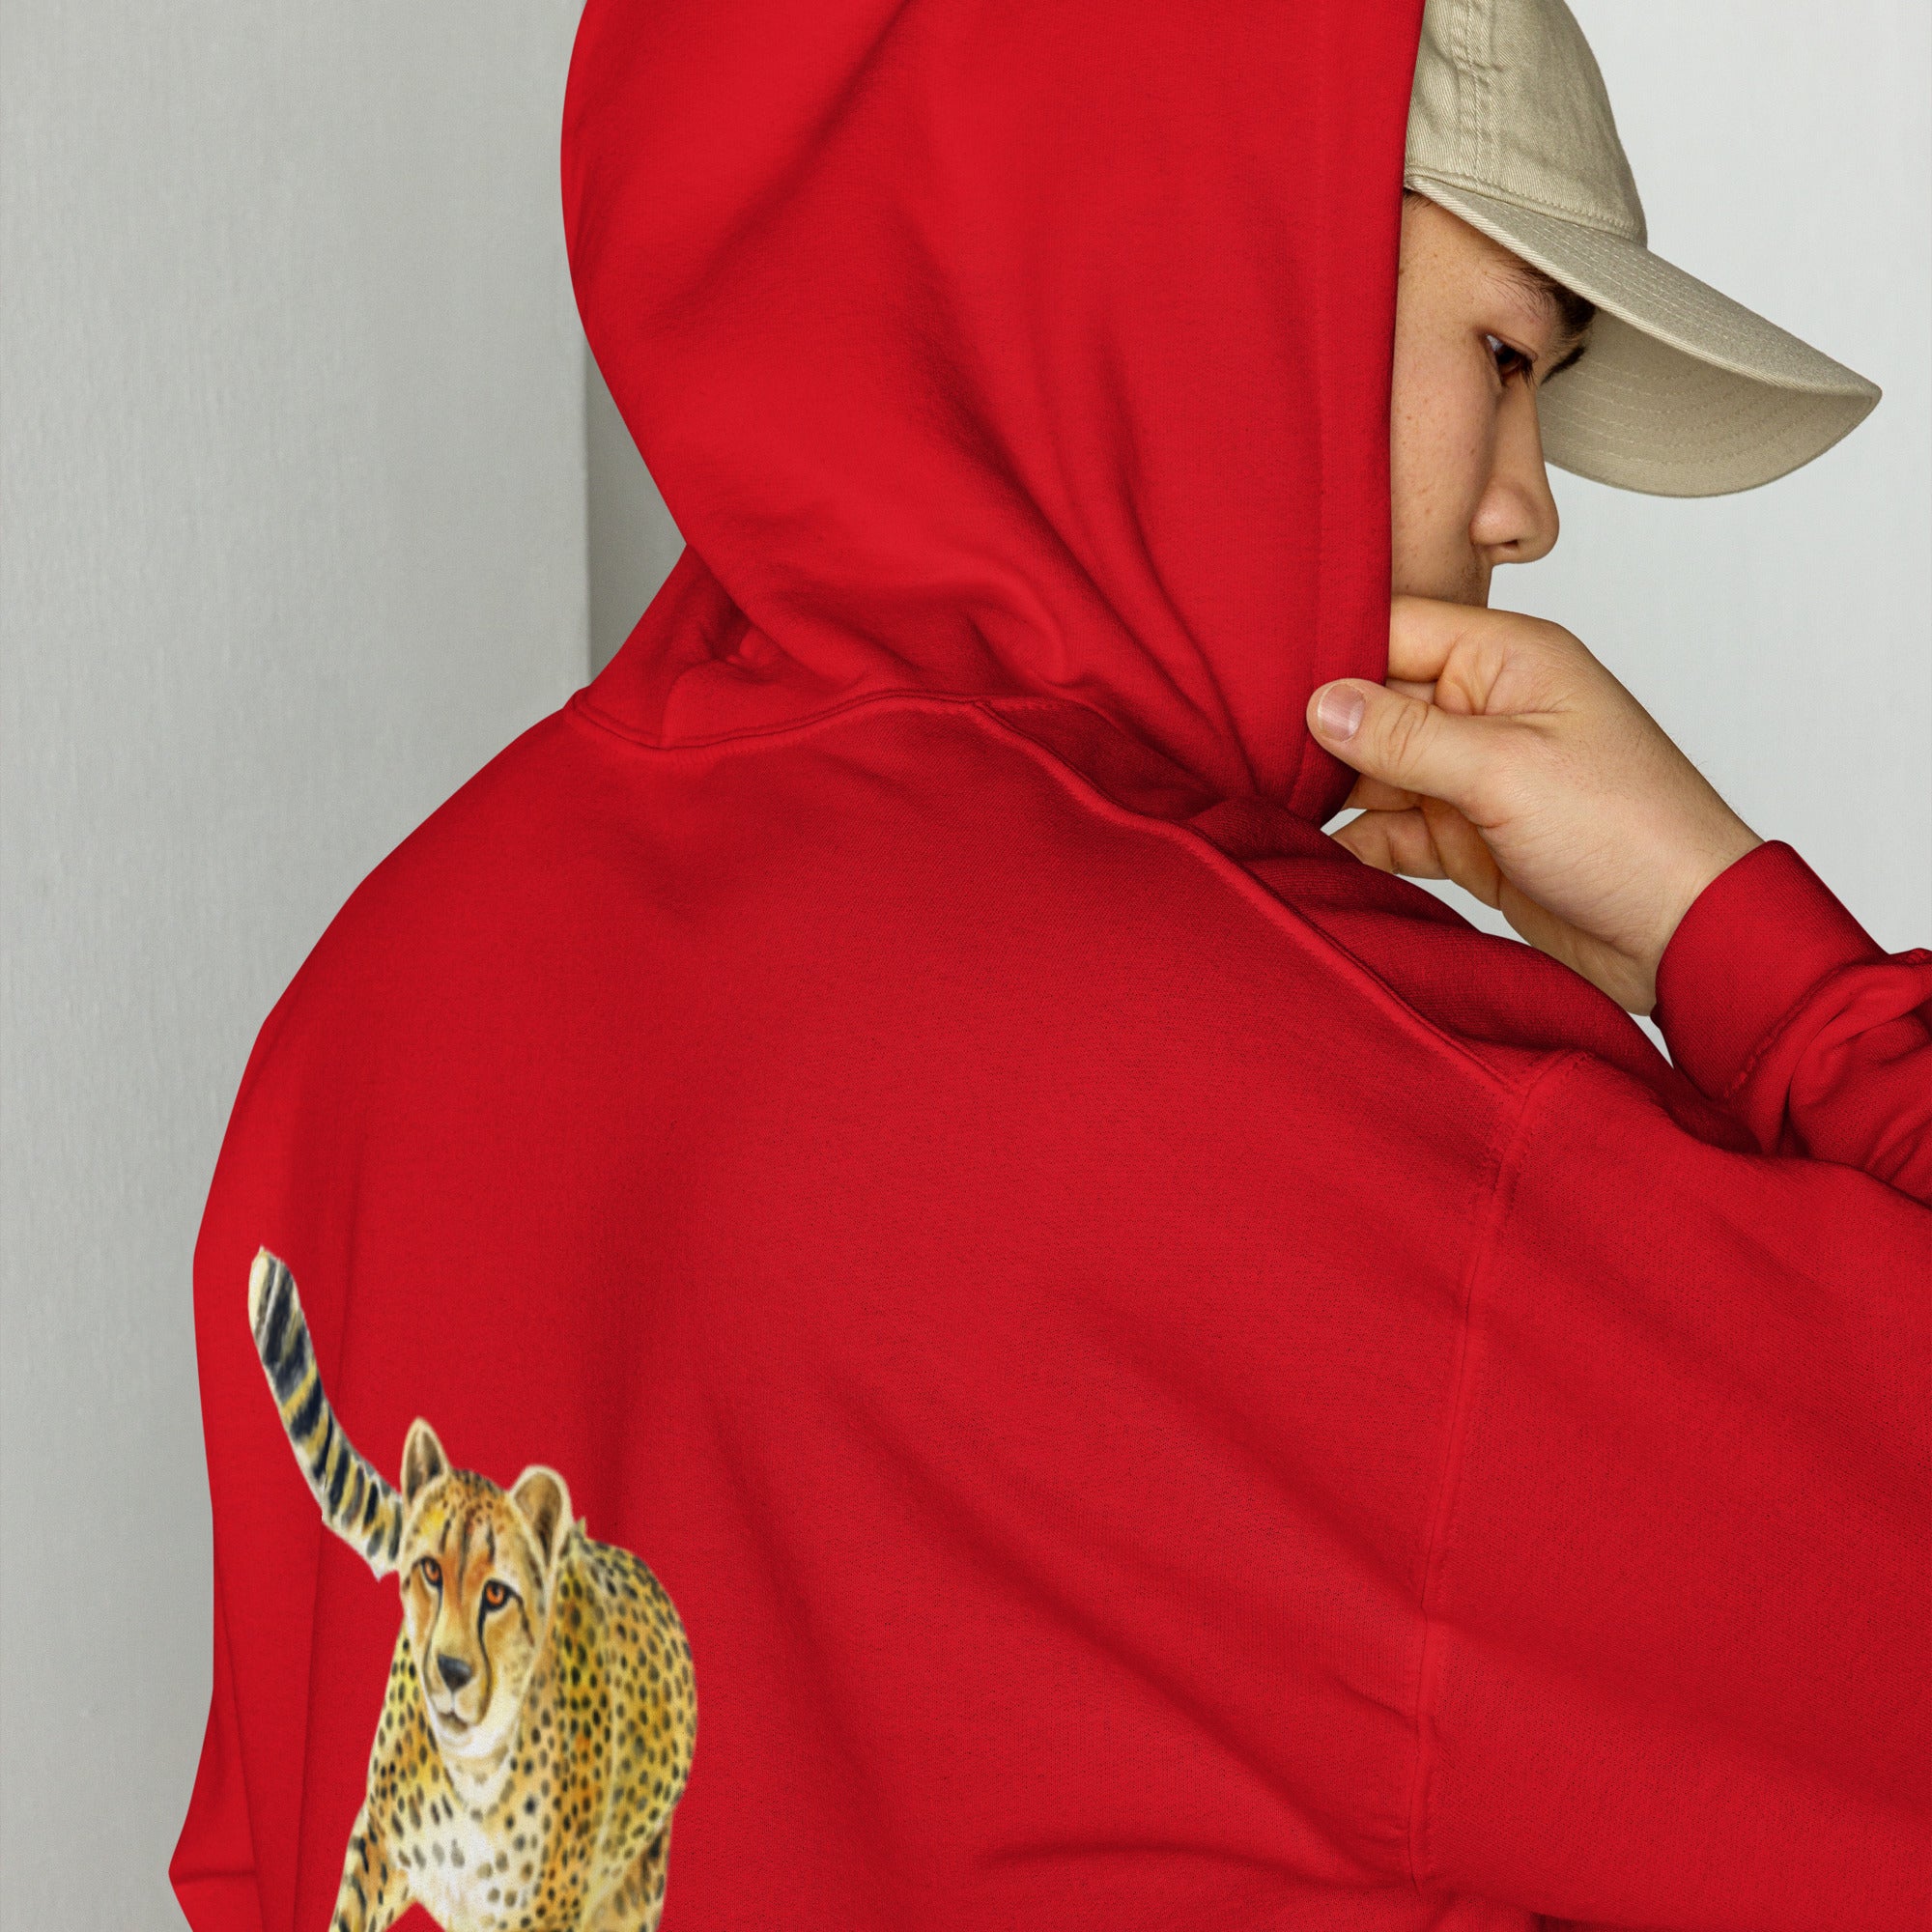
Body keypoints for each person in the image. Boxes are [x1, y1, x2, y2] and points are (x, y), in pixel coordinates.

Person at [171, 3, 1929, 1930]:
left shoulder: (363, 1016)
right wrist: (1738, 939)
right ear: (1200, 268)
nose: (1529, 503)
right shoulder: (1342, 1124)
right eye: (1505, 357)